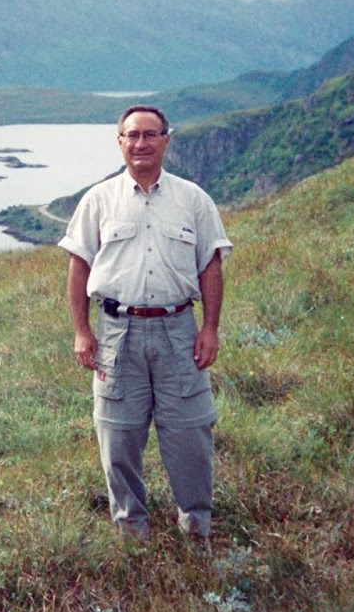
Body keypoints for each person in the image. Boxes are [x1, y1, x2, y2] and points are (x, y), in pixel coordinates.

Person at [59, 105, 232, 545]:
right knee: (117, 435)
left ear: (166, 140)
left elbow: (210, 266)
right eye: (132, 135)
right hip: (117, 334)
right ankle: (132, 534)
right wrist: (82, 331)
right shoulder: (98, 200)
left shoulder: (194, 200)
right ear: (120, 142)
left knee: (190, 434)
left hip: (180, 331)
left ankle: (196, 530)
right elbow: (79, 267)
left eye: (150, 134)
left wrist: (210, 328)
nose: (141, 143)